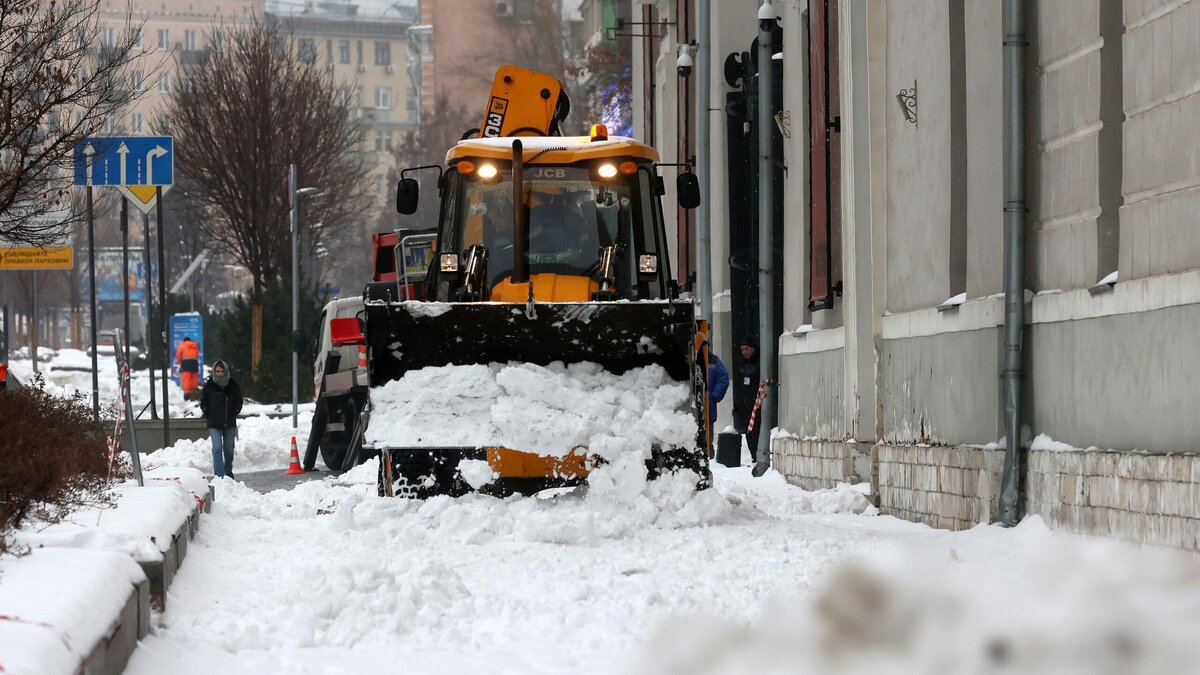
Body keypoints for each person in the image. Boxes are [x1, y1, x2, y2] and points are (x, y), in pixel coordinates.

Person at [199, 359, 243, 479]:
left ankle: (228, 471)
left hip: (229, 422)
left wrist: (235, 411)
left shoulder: (232, 385)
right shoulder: (210, 385)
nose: (219, 373)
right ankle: (219, 475)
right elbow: (204, 401)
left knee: (229, 450)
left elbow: (239, 400)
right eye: (217, 371)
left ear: (226, 371)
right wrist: (206, 411)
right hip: (214, 422)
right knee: (217, 448)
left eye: (221, 371)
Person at [731, 336, 761, 463]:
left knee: (756, 431)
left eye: (747, 349)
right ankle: (754, 455)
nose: (744, 352)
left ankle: (758, 454)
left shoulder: (759, 363)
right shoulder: (742, 364)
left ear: (753, 348)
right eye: (742, 349)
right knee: (749, 432)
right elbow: (739, 385)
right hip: (744, 406)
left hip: (756, 404)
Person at [706, 350, 729, 451]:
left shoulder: (713, 360)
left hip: (708, 406)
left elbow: (723, 378)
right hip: (704, 404)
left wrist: (714, 396)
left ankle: (708, 453)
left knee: (707, 436)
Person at [176, 336, 200, 400]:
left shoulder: (182, 345)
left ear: (184, 341)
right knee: (194, 378)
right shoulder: (194, 346)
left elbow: (178, 355)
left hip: (186, 364)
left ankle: (187, 395)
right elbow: (197, 354)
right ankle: (194, 393)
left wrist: (180, 361)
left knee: (187, 379)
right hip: (194, 363)